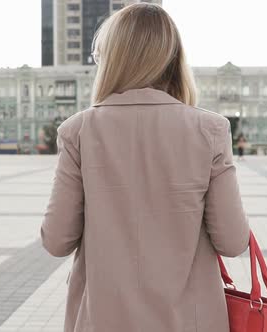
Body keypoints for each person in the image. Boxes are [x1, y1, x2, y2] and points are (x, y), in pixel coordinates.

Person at [40, 4, 249, 331]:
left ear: (111, 59)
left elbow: (56, 241)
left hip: (102, 320)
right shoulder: (210, 129)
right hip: (189, 321)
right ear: (174, 60)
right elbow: (233, 241)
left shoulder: (78, 131)